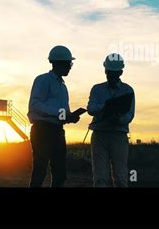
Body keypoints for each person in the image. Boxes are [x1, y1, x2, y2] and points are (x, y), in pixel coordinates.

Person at [27, 45, 80, 187]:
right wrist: (59, 113)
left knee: (60, 174)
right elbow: (35, 105)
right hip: (42, 130)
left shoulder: (63, 87)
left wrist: (70, 117)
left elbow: (62, 113)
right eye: (69, 63)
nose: (70, 67)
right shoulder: (43, 80)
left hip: (57, 131)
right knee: (40, 170)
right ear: (58, 63)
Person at [87, 53, 135, 187]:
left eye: (114, 73)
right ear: (105, 71)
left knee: (120, 178)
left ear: (120, 72)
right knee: (100, 178)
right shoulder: (97, 89)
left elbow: (130, 115)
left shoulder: (128, 90)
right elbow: (91, 108)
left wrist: (119, 119)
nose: (111, 75)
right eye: (109, 72)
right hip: (100, 135)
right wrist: (106, 107)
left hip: (118, 135)